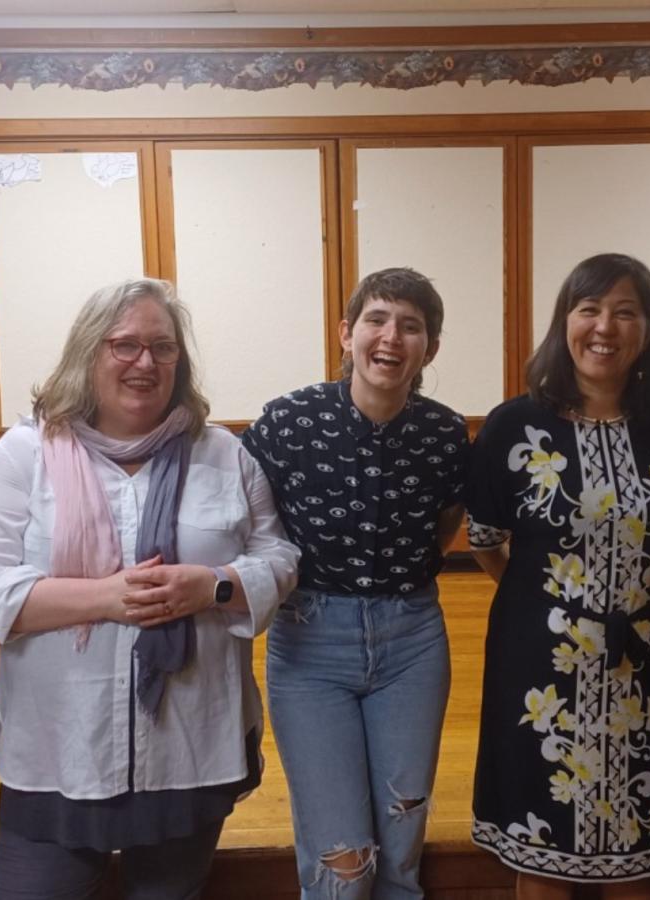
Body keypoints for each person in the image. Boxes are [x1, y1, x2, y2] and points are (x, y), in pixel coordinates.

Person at [0, 278, 298, 900]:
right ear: (89, 352)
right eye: (125, 345)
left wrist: (213, 587)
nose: (145, 362)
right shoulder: (23, 455)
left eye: (163, 348)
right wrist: (108, 598)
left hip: (188, 744)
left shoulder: (223, 455)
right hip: (58, 747)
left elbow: (277, 557)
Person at [464, 253, 650, 899]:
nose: (605, 326)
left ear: (648, 330)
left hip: (646, 664)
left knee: (640, 854)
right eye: (590, 309)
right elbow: (488, 543)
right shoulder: (512, 425)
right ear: (564, 322)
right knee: (542, 857)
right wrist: (552, 603)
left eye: (625, 311)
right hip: (539, 670)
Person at [241, 267, 469, 899]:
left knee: (400, 850)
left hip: (413, 643)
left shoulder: (446, 433)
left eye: (411, 325)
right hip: (312, 644)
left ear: (430, 347)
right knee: (342, 859)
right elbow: (248, 521)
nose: (391, 336)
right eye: (376, 319)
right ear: (346, 333)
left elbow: (446, 523)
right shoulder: (288, 423)